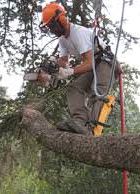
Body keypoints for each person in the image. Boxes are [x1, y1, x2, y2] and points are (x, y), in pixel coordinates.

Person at [39, 2, 115, 135]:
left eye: (52, 25)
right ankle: (79, 122)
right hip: (93, 62)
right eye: (49, 27)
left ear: (61, 19)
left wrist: (68, 72)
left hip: (104, 61)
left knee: (98, 92)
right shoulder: (63, 40)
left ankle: (93, 130)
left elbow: (89, 62)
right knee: (74, 88)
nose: (52, 29)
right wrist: (54, 64)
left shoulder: (78, 33)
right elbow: (64, 61)